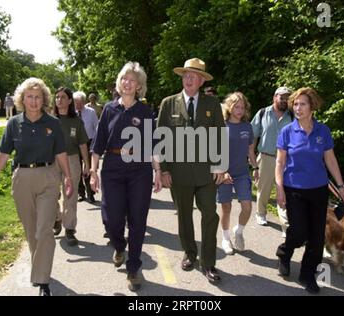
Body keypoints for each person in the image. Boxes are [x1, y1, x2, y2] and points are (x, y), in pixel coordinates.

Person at [0, 78, 73, 296]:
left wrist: (68, 177)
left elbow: (61, 153)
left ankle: (42, 281)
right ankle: (40, 266)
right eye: (29, 97)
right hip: (22, 177)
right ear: (22, 100)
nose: (33, 101)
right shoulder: (14, 123)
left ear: (44, 99)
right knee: (31, 230)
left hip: (48, 177)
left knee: (44, 230)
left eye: (38, 97)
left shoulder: (52, 123)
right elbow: (3, 153)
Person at [90, 61, 162, 291]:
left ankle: (133, 268)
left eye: (132, 80)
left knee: (138, 220)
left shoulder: (145, 112)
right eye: (124, 79)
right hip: (112, 168)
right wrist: (93, 171)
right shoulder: (109, 109)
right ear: (119, 83)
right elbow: (98, 144)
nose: (127, 83)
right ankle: (119, 246)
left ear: (139, 86)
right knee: (112, 219)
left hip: (139, 170)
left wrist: (158, 171)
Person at [275, 87, 344, 294]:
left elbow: (330, 160)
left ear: (312, 106)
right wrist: (279, 188)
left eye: (302, 104)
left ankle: (307, 275)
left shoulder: (322, 131)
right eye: (295, 104)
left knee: (317, 237)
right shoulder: (287, 131)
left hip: (318, 190)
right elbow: (279, 163)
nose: (298, 108)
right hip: (294, 190)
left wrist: (341, 186)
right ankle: (285, 252)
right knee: (299, 232)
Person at [157, 58, 225, 283]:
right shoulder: (169, 103)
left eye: (194, 75)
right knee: (184, 216)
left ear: (201, 81)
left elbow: (219, 135)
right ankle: (189, 253)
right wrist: (163, 170)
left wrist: (220, 165)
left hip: (206, 173)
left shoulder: (212, 104)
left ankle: (209, 263)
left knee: (210, 215)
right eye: (186, 74)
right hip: (179, 173)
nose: (189, 78)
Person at [217, 92, 257, 255]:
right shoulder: (221, 125)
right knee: (226, 207)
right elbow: (215, 151)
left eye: (242, 107)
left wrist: (255, 168)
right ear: (229, 107)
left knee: (247, 207)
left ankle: (238, 231)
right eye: (236, 107)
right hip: (224, 173)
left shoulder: (247, 127)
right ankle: (225, 238)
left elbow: (250, 150)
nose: (239, 110)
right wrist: (222, 171)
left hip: (242, 173)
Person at [250, 86, 292, 236]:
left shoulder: (292, 116)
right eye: (282, 97)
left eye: (287, 98)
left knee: (284, 191)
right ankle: (261, 213)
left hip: (286, 160)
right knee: (263, 189)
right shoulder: (263, 113)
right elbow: (252, 137)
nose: (285, 101)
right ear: (275, 97)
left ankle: (285, 225)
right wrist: (253, 162)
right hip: (266, 157)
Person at [53, 87, 90, 246]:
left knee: (71, 196)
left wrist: (87, 165)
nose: (59, 100)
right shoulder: (49, 120)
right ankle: (56, 218)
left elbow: (83, 145)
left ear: (69, 101)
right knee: (51, 194)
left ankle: (69, 229)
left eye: (63, 97)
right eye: (57, 97)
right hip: (52, 161)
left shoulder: (76, 122)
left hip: (72, 160)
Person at [74, 91, 98, 203]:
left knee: (88, 168)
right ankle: (81, 193)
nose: (77, 105)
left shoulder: (91, 112)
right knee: (77, 169)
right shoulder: (72, 114)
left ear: (84, 102)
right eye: (75, 103)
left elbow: (96, 127)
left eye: (79, 103)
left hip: (89, 142)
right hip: (75, 144)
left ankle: (90, 193)